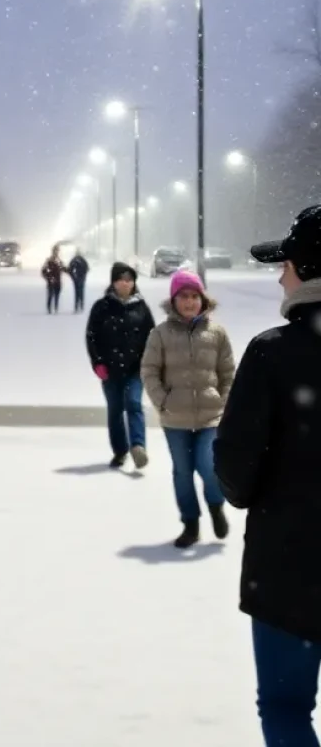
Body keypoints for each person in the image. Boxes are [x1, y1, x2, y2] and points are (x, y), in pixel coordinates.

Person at [214, 206, 321, 746]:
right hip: (290, 568)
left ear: (307, 269)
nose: (281, 275)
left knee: (284, 706)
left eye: (287, 264)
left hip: (289, 571)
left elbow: (235, 468)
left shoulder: (273, 353)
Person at [140, 270, 235, 548]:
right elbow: (149, 371)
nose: (190, 302)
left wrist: (223, 400)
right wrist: (163, 401)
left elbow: (228, 372)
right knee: (182, 472)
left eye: (195, 296)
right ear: (174, 299)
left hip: (210, 417)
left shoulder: (216, 333)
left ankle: (216, 507)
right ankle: (190, 524)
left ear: (202, 299)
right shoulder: (160, 334)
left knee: (209, 468)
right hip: (175, 419)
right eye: (184, 296)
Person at [86, 262, 155, 469]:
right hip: (110, 368)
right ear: (114, 282)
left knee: (134, 404)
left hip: (136, 368)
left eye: (129, 279)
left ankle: (138, 446)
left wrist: (148, 361)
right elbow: (92, 337)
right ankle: (120, 450)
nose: (125, 283)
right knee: (115, 410)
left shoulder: (141, 307)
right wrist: (98, 362)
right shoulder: (102, 307)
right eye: (121, 279)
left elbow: (151, 336)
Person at [41, 244, 67, 314]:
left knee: (57, 296)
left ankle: (56, 308)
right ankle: (49, 309)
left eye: (57, 251)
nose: (57, 252)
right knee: (50, 295)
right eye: (55, 250)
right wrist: (49, 278)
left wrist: (67, 269)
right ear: (53, 251)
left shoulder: (59, 261)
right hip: (51, 282)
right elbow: (43, 271)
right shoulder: (49, 260)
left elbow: (64, 269)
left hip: (58, 282)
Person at [68, 249, 90, 313]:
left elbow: (70, 269)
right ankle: (80, 306)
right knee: (80, 292)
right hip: (80, 279)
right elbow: (87, 268)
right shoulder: (82, 260)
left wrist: (73, 276)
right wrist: (83, 275)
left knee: (77, 292)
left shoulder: (75, 260)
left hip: (78, 278)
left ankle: (77, 306)